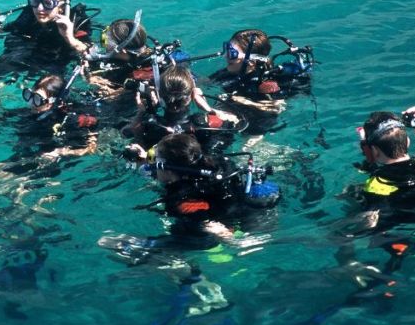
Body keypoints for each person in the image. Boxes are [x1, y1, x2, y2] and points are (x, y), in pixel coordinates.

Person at [125, 133, 279, 243]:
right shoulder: (217, 162)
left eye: (156, 160)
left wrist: (235, 241)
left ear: (168, 168)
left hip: (240, 223)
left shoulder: (182, 200)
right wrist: (142, 158)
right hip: (246, 203)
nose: (152, 164)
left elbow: (209, 224)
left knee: (180, 232)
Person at [0, 0, 95, 75]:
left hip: (53, 62)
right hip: (23, 55)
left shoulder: (76, 21)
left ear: (60, 6)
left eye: (47, 3)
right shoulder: (30, 15)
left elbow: (90, 52)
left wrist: (69, 37)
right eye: (35, 1)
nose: (39, 8)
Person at [206, 29, 314, 135]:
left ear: (251, 62)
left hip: (259, 120)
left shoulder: (267, 83)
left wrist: (243, 101)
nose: (225, 56)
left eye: (231, 53)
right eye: (226, 49)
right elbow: (204, 82)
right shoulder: (228, 72)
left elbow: (277, 108)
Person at [125, 65, 241, 154]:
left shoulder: (150, 125)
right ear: (191, 96)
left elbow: (128, 133)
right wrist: (209, 109)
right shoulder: (204, 124)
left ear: (160, 96)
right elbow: (235, 121)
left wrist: (141, 114)